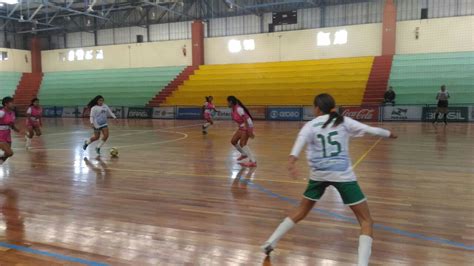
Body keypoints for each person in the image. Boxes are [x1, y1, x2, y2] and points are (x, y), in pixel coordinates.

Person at [260, 93, 397, 266]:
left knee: (301, 211)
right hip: (342, 175)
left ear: (317, 108)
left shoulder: (310, 125)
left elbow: (299, 143)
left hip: (319, 175)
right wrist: (388, 133)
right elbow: (371, 130)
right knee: (366, 220)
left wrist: (292, 161)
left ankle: (269, 242)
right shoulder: (343, 121)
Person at [227, 96, 257, 167]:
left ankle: (253, 161)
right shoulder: (233, 109)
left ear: (231, 102)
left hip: (247, 125)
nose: (227, 103)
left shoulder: (239, 109)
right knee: (233, 141)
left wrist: (249, 131)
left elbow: (246, 120)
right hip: (242, 125)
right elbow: (239, 120)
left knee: (243, 144)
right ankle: (244, 154)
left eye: (228, 102)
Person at [0, 97, 20, 163]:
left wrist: (17, 129)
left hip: (7, 135)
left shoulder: (12, 113)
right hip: (1, 135)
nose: (13, 104)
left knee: (8, 154)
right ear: (6, 104)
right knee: (10, 152)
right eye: (12, 103)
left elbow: (11, 124)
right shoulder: (2, 112)